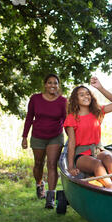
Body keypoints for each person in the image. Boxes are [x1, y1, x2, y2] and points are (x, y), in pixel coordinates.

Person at [64, 74, 112, 191]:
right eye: (81, 95)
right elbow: (71, 144)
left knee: (108, 156)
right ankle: (111, 189)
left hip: (98, 150)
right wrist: (71, 166)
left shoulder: (97, 112)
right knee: (97, 164)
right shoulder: (71, 118)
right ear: (75, 99)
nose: (86, 96)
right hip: (81, 154)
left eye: (88, 94)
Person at [22, 74, 67, 209]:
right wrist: (24, 137)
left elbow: (66, 121)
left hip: (55, 136)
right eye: (50, 83)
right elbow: (29, 117)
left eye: (55, 83)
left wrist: (73, 137)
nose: (52, 85)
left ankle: (50, 197)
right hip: (38, 136)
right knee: (38, 163)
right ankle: (39, 184)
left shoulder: (63, 101)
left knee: (52, 164)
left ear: (58, 86)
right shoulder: (35, 99)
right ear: (45, 84)